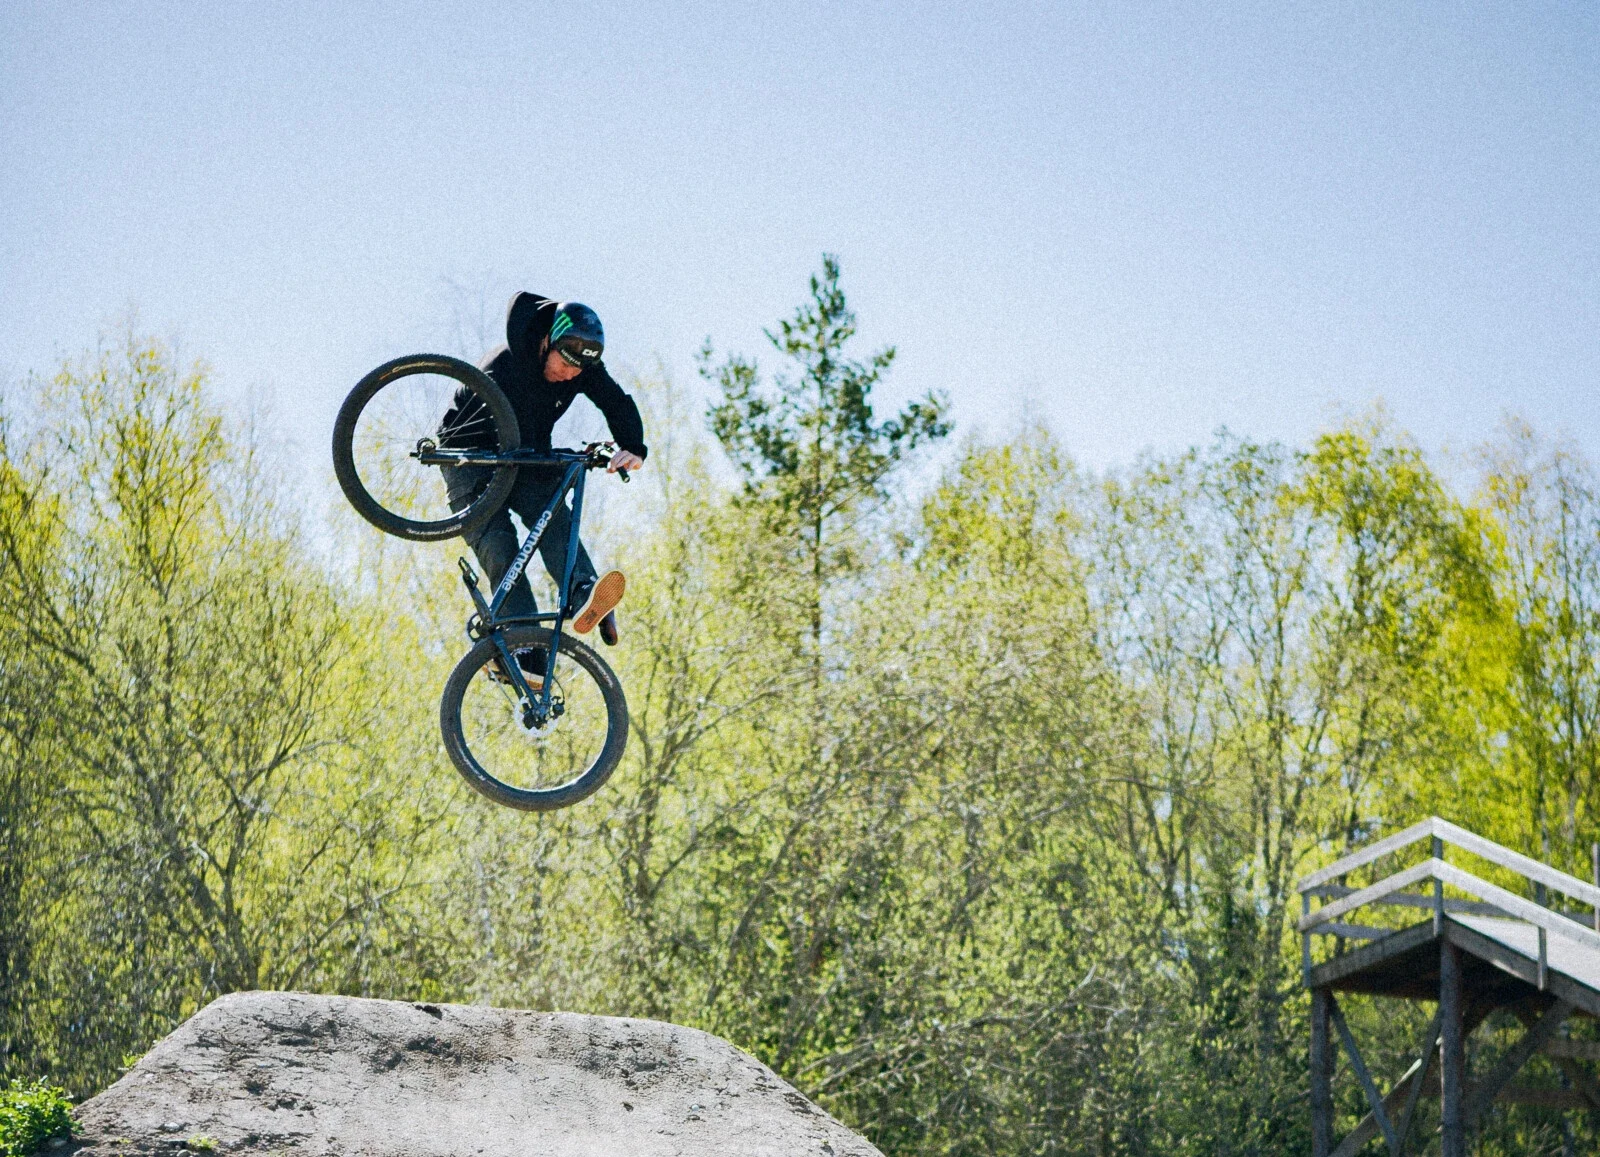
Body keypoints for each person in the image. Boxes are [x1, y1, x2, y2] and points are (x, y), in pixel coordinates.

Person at [439, 292, 645, 650]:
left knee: (550, 515)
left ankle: (583, 592)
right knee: (499, 547)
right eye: (563, 366)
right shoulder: (503, 365)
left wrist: (633, 447)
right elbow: (504, 428)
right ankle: (524, 648)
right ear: (545, 342)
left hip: (523, 453)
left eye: (576, 372)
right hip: (469, 458)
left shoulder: (580, 368)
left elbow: (614, 400)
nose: (568, 377)